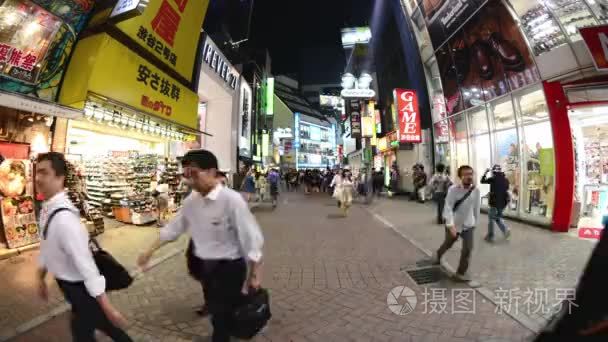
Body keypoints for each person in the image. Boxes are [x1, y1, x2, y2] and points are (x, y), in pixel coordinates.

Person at [138, 149, 264, 342]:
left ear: (212, 172)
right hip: (206, 267)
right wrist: (149, 251)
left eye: (194, 173)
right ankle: (229, 323)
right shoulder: (191, 202)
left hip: (230, 267)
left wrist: (254, 274)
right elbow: (173, 229)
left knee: (220, 317)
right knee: (218, 309)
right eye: (186, 175)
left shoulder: (231, 201)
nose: (189, 180)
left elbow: (251, 238)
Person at [36, 152, 131, 341]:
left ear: (60, 177)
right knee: (83, 329)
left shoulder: (65, 219)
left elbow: (87, 266)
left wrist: (108, 307)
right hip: (70, 288)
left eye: (44, 173)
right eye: (37, 172)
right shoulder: (47, 210)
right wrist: (41, 277)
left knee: (105, 328)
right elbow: (48, 246)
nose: (38, 178)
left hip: (81, 288)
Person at [432, 165, 481, 282]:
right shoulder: (453, 190)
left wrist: (475, 223)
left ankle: (460, 273)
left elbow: (476, 208)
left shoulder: (476, 190)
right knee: (448, 244)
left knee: (468, 249)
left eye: (470, 174)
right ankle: (438, 255)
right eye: (465, 174)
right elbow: (448, 207)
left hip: (468, 225)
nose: (469, 177)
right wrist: (450, 225)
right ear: (460, 177)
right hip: (454, 224)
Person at [481, 165, 511, 242]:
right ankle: (505, 230)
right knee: (497, 218)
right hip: (503, 203)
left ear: (494, 171)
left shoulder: (493, 179)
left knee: (491, 218)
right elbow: (506, 189)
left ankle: (490, 236)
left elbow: (482, 181)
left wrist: (485, 172)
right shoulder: (506, 180)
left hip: (494, 203)